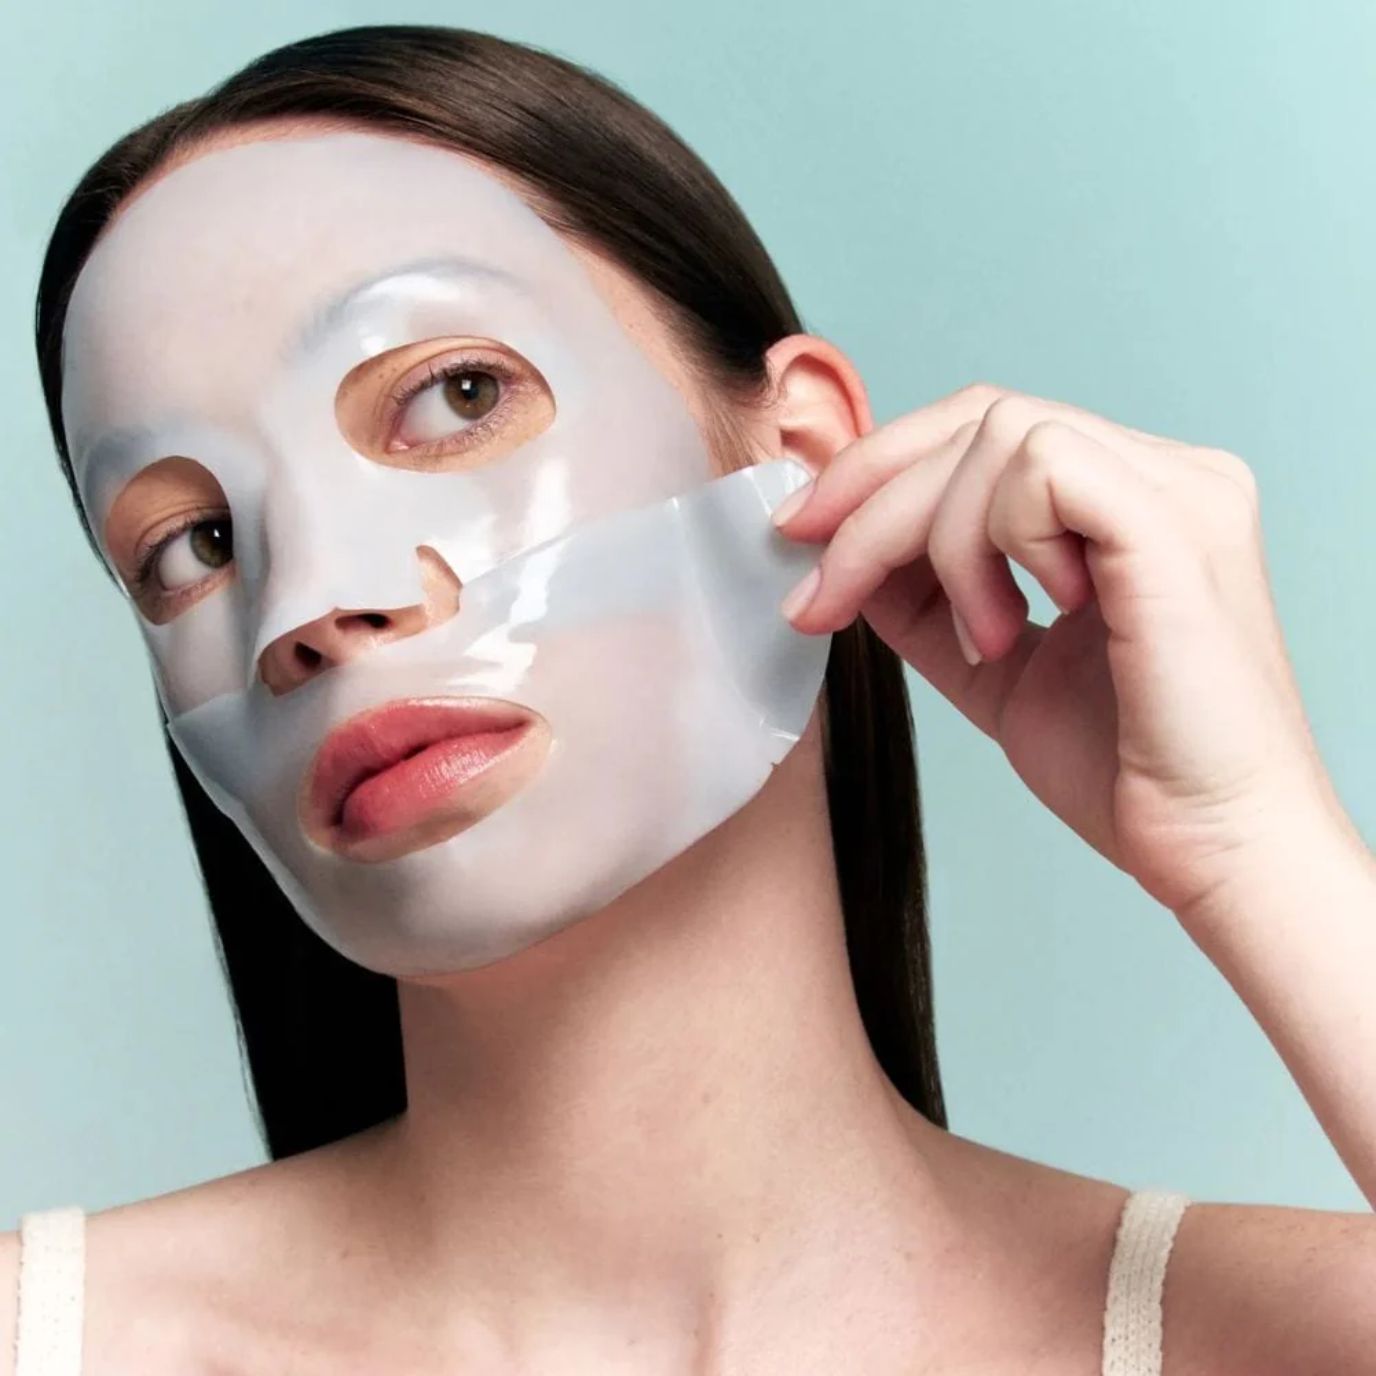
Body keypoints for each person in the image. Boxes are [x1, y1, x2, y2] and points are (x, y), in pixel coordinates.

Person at [5, 23, 1375, 1376]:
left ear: (800, 456)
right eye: (190, 546)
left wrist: (1255, 845)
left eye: (457, 395)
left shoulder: (1282, 1336)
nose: (304, 606)